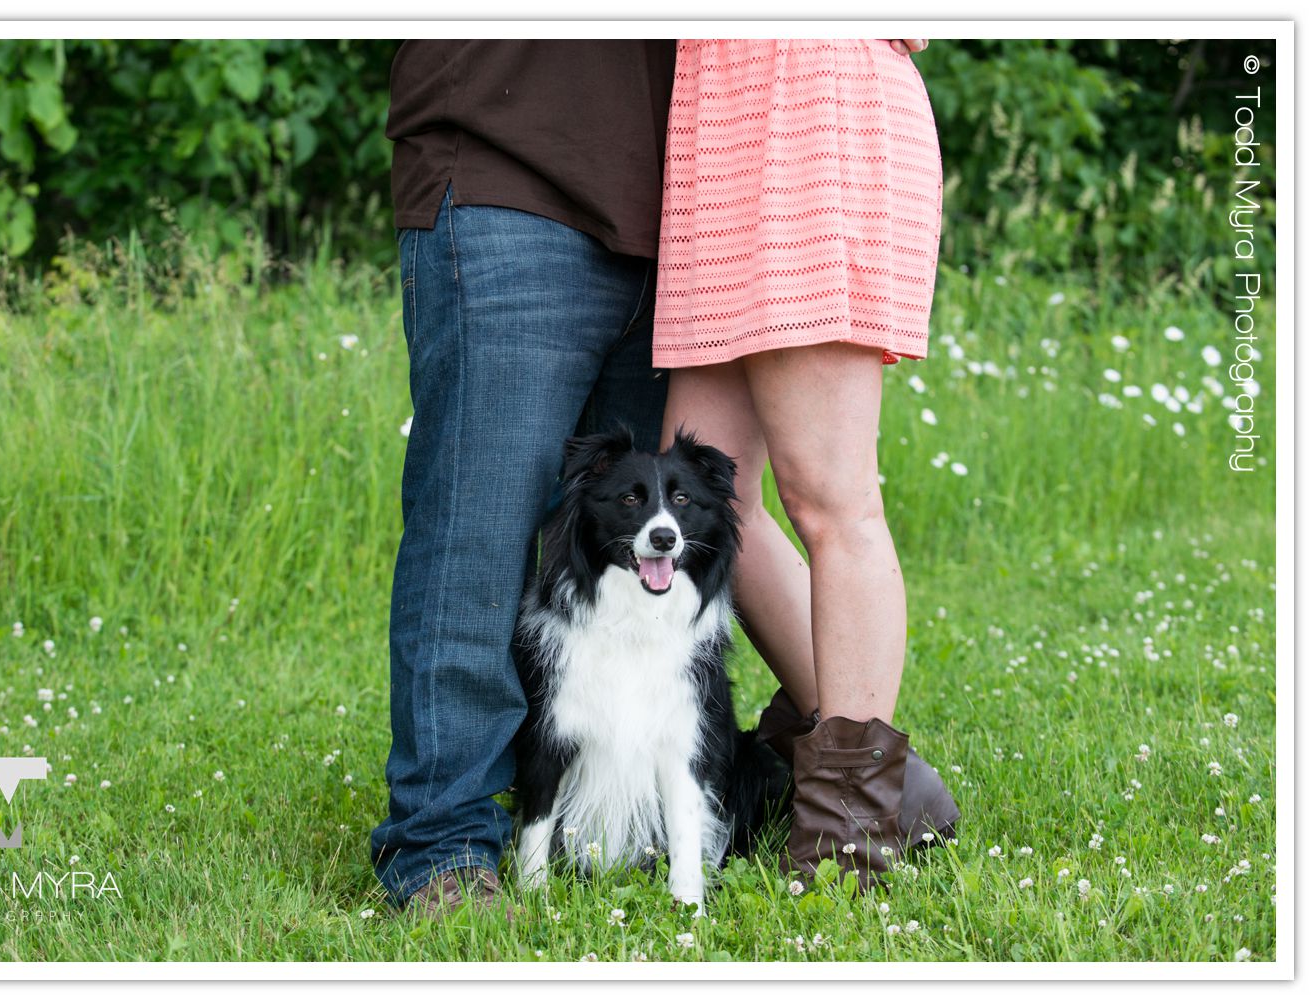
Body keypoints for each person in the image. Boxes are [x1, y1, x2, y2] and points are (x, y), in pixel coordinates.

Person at [373, 39, 957, 916]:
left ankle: (852, 818)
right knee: (678, 516)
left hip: (764, 145)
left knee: (808, 504)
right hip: (633, 161)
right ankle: (448, 840)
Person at [653, 38, 955, 890]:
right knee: (707, 501)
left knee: (831, 499)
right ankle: (881, 770)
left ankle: (850, 834)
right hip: (722, 131)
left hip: (814, 114)